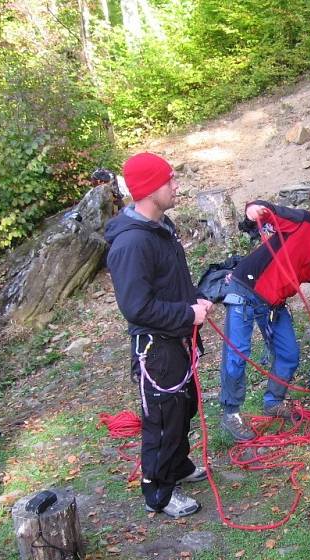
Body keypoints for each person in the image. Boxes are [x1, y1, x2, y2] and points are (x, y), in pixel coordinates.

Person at [105, 152, 212, 519]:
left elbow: (171, 280)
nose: (176, 186)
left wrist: (194, 297)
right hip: (157, 349)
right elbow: (136, 307)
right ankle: (159, 491)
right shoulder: (132, 243)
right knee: (163, 418)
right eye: (170, 181)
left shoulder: (161, 228)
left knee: (184, 407)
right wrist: (187, 313)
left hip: (178, 340)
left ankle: (178, 465)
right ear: (151, 190)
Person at [218, 200, 310, 441]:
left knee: (289, 354)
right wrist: (255, 208)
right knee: (238, 353)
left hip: (273, 303)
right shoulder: (307, 223)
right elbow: (272, 212)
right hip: (246, 288)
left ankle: (273, 402)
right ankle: (231, 413)